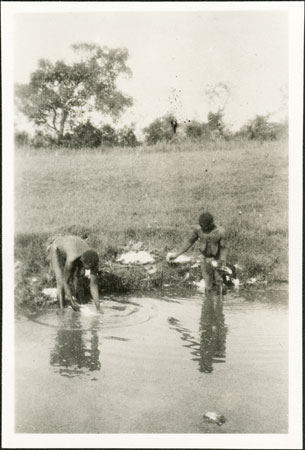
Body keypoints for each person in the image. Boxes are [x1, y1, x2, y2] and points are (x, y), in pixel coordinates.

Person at [168, 212, 227, 292]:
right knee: (207, 282)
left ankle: (220, 301)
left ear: (212, 223)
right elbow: (190, 242)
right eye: (202, 226)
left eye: (206, 227)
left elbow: (223, 248)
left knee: (218, 280)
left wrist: (222, 260)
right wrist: (177, 255)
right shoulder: (198, 230)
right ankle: (208, 302)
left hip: (217, 258)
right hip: (204, 258)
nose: (204, 229)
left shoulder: (220, 232)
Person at [47, 235, 102, 312]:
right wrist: (71, 302)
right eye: (89, 268)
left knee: (80, 275)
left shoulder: (93, 259)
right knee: (60, 281)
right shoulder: (72, 259)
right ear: (84, 262)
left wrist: (98, 307)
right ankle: (61, 310)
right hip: (57, 248)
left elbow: (93, 284)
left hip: (74, 247)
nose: (89, 270)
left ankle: (78, 300)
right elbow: (64, 281)